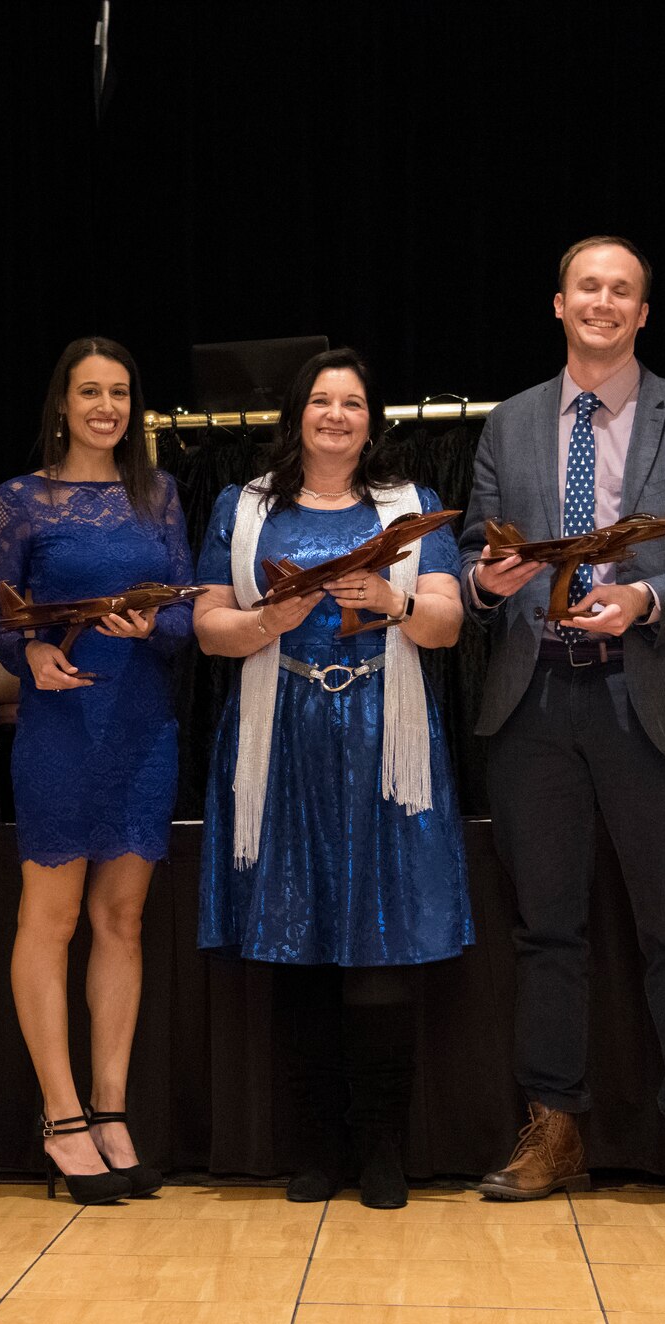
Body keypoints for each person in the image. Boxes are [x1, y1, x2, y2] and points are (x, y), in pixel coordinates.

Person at [459, 236, 665, 1214]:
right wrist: (483, 578)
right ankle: (553, 1128)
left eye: (619, 290)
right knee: (545, 929)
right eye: (586, 286)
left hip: (650, 700)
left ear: (640, 313)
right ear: (557, 304)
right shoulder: (506, 425)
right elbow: (475, 551)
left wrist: (647, 602)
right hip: (532, 702)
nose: (601, 301)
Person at [194, 348, 472, 1210]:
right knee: (298, 944)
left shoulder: (411, 508)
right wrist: (268, 618)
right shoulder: (241, 508)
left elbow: (448, 623)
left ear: (371, 419)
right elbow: (207, 627)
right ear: (297, 414)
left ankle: (383, 1149)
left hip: (385, 744)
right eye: (322, 400)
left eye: (353, 402)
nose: (337, 415)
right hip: (281, 738)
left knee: (380, 952)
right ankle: (314, 1148)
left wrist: (390, 603)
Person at [0, 337, 192, 1205]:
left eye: (119, 392)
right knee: (53, 915)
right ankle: (62, 1115)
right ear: (63, 404)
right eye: (89, 392)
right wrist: (29, 651)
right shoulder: (22, 498)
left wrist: (159, 630)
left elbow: (186, 616)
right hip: (60, 724)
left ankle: (111, 1111)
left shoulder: (162, 495)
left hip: (142, 724)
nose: (106, 407)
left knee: (123, 917)